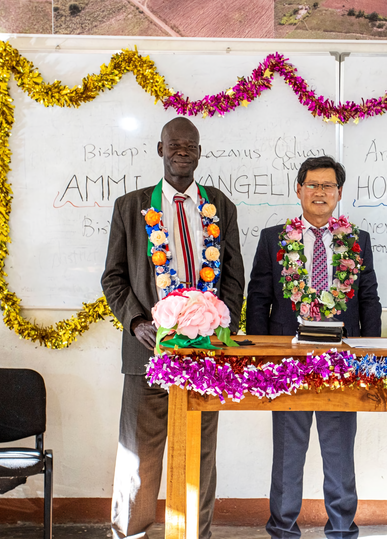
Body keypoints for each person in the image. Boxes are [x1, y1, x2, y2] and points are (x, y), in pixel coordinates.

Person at [101, 117, 245, 539]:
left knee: (200, 454)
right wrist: (137, 322)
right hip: (147, 353)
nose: (183, 151)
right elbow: (113, 277)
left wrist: (221, 323)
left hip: (205, 353)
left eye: (191, 146)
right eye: (175, 144)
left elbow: (234, 277)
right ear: (159, 149)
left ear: (199, 153)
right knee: (139, 455)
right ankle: (131, 533)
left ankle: (193, 534)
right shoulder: (131, 207)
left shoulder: (221, 205)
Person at [246, 155, 382, 539]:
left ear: (339, 193)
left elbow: (369, 299)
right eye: (312, 185)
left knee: (339, 454)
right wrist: (261, 356)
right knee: (288, 454)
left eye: (328, 186)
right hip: (287, 362)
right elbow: (258, 299)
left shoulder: (357, 240)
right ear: (299, 190)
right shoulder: (273, 239)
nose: (319, 193)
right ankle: (283, 530)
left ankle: (341, 530)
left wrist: (368, 355)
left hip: (341, 361)